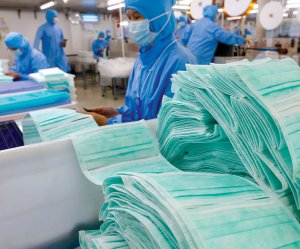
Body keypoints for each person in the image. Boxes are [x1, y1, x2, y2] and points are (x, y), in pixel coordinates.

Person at [84, 0, 196, 126]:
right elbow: (138, 109)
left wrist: (108, 123)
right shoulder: (143, 58)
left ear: (157, 18)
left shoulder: (181, 63)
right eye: (129, 18)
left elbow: (171, 127)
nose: (132, 24)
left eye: (137, 17)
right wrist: (116, 112)